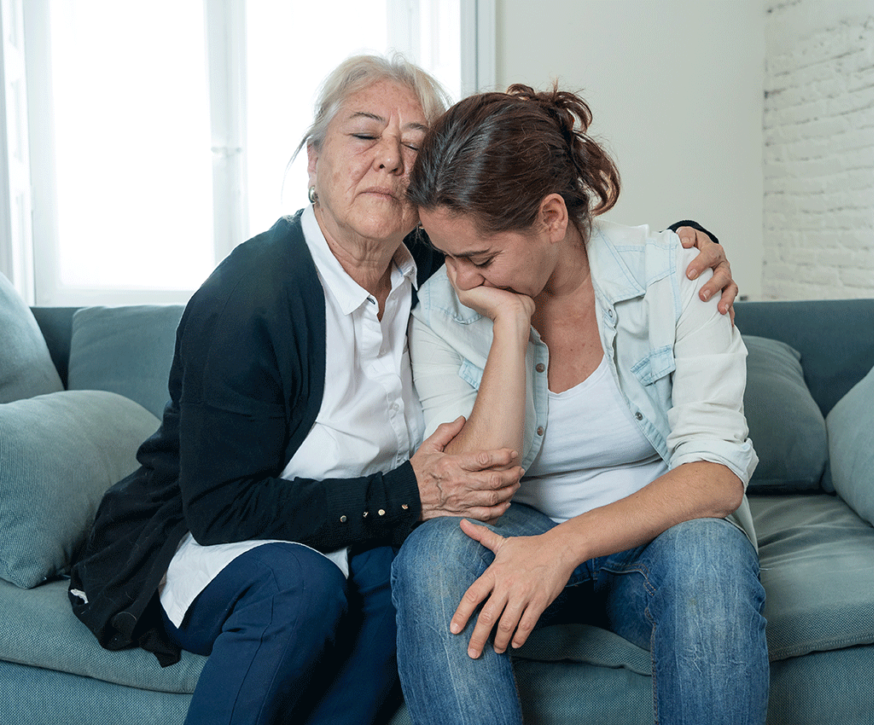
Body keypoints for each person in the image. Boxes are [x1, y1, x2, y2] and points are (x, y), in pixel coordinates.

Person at [67, 56, 737, 725]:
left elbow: (527, 225)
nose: (391, 159)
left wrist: (693, 242)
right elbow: (221, 508)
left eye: (414, 144)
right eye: (364, 135)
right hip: (228, 536)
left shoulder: (430, 264)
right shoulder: (252, 298)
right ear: (311, 159)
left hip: (361, 535)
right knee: (328, 582)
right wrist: (409, 493)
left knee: (394, 572)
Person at [392, 84, 768, 725]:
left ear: (551, 218)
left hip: (655, 540)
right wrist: (510, 327)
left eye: (479, 257)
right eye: (446, 256)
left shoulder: (676, 275)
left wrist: (563, 547)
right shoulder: (442, 313)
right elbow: (473, 489)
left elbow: (716, 475)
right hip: (516, 534)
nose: (459, 280)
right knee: (430, 558)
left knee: (711, 552)